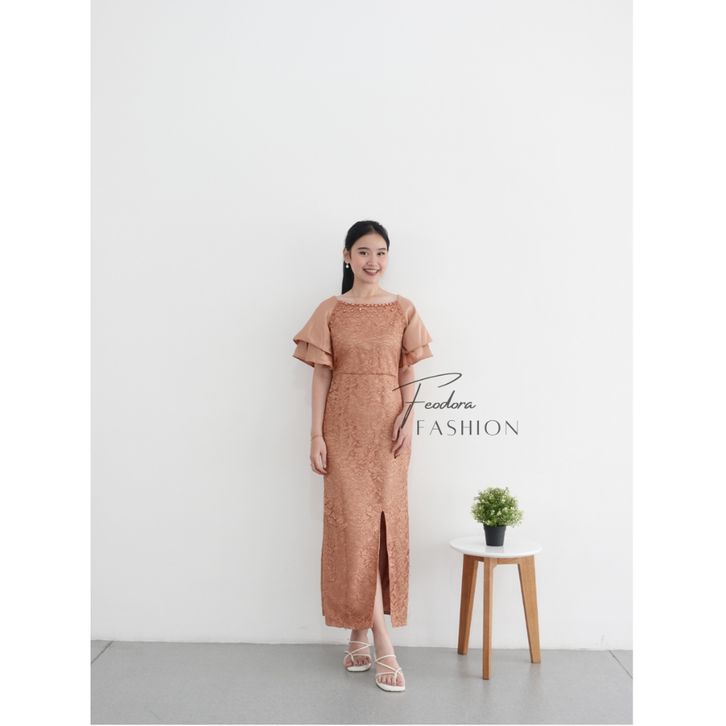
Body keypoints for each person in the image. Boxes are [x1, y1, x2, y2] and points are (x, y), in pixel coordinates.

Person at [292, 220, 434, 692]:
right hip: (343, 431)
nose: (373, 261)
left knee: (380, 530)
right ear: (347, 256)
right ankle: (383, 643)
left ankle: (358, 633)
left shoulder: (403, 309)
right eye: (364, 252)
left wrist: (409, 418)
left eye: (381, 252)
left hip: (389, 433)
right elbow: (321, 375)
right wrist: (316, 434)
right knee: (353, 532)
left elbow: (408, 371)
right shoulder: (330, 310)